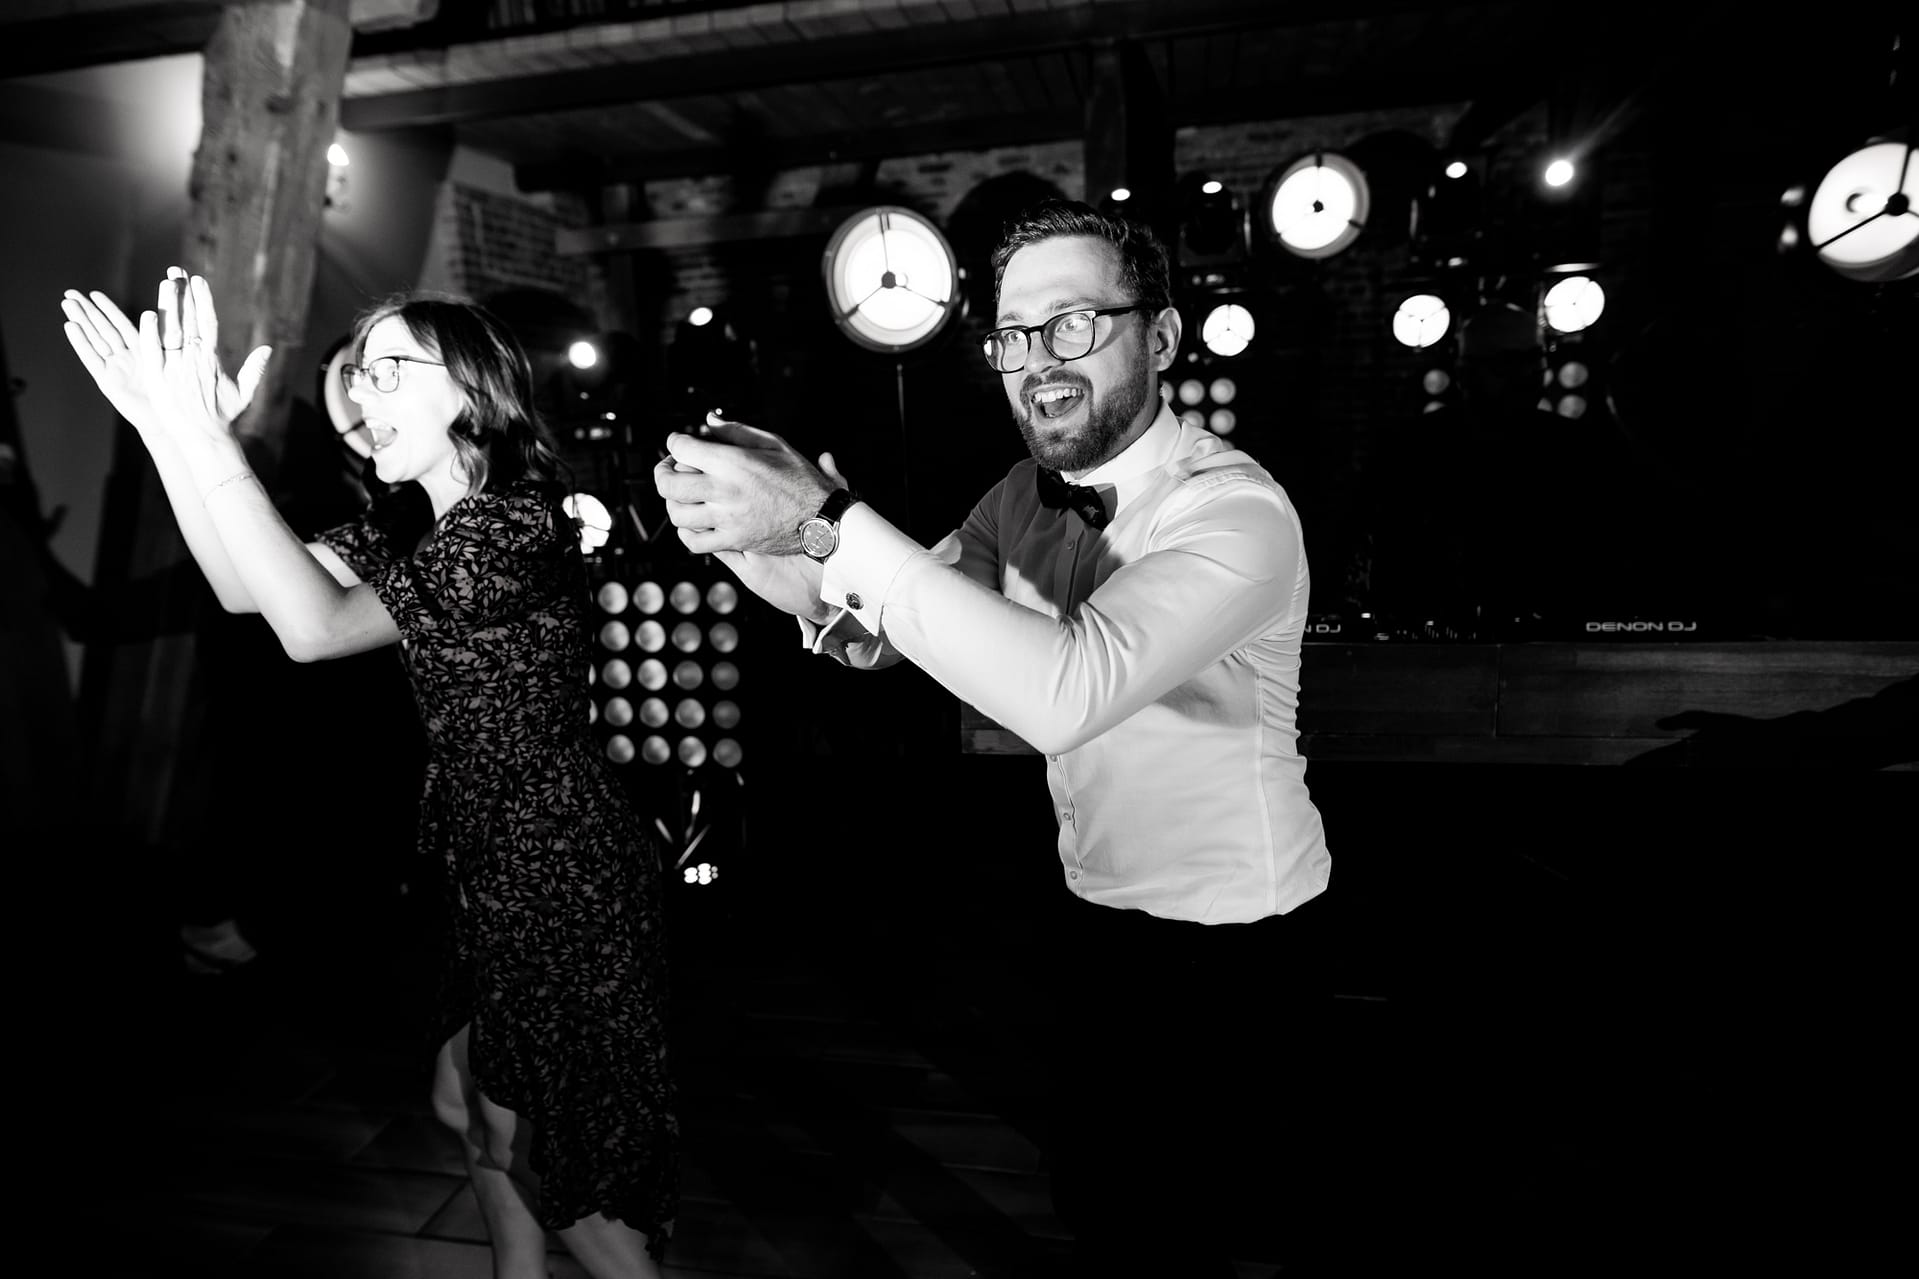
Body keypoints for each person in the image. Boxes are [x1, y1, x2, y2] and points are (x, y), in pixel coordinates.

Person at [653, 200, 1333, 1277]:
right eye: (1013, 335)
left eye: (1072, 323)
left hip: (1236, 935)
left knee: (1208, 1223)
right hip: (1097, 906)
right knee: (1097, 1197)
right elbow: (888, 630)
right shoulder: (1019, 493)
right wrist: (771, 552)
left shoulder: (1234, 511)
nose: (1036, 359)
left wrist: (830, 519)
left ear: (1159, 336)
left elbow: (1064, 693)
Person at [60, 270, 677, 1277]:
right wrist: (167, 431)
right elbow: (244, 587)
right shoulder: (415, 522)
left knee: (538, 1150)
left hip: (558, 866)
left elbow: (312, 630)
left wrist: (212, 440)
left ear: (472, 391)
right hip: (488, 860)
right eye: (358, 372)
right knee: (468, 1111)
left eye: (392, 369)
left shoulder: (508, 526)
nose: (360, 391)